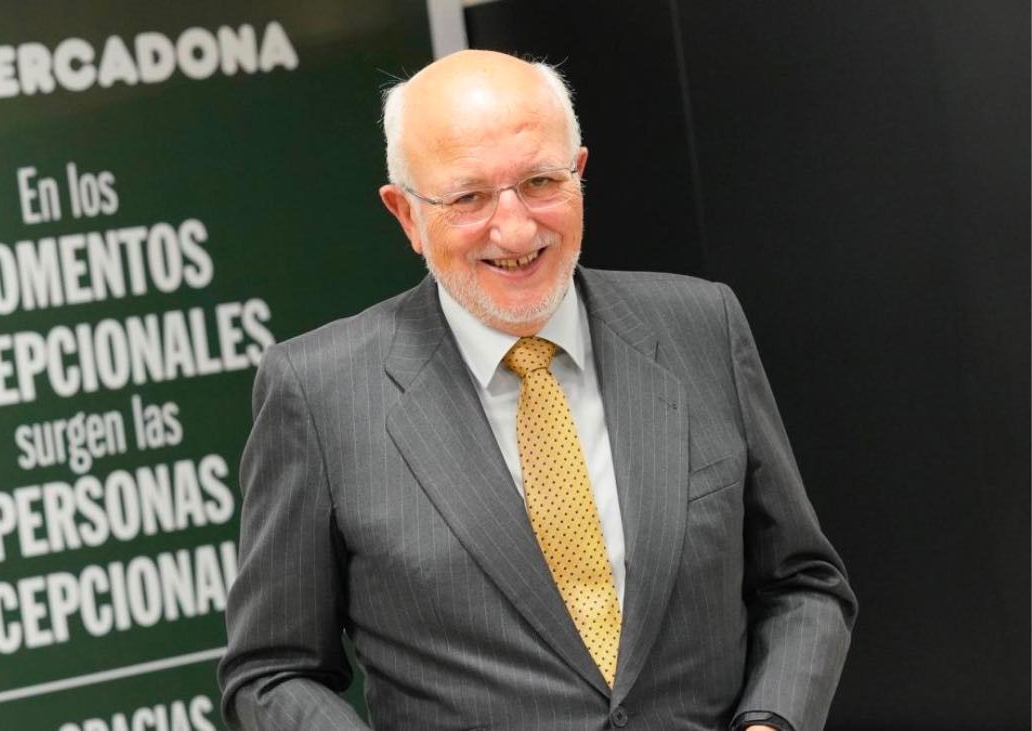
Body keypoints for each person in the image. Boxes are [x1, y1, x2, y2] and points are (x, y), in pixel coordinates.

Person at [218, 49, 856, 731]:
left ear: (579, 173)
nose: (516, 228)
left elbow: (802, 583)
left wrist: (770, 723)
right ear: (406, 215)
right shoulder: (320, 394)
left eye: (540, 182)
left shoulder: (702, 327)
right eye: (468, 197)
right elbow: (270, 672)